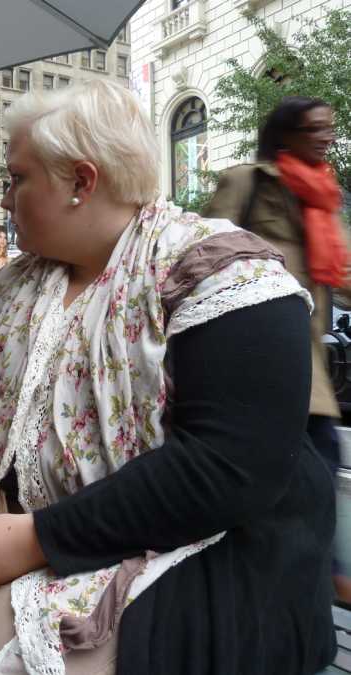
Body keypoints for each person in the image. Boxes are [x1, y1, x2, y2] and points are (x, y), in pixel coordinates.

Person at [0, 81, 336, 675]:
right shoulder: (9, 289)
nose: (4, 199)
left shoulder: (222, 274)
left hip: (193, 544)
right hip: (3, 520)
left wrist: (38, 538)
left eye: (17, 179)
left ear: (81, 183)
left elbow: (232, 466)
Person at [204, 96, 351, 603]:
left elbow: (346, 272)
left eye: (329, 127)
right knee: (279, 475)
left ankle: (315, 577)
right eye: (314, 127)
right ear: (286, 133)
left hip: (309, 365)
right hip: (254, 360)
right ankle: (288, 583)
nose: (325, 135)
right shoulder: (248, 182)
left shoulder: (325, 201)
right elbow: (205, 254)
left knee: (320, 463)